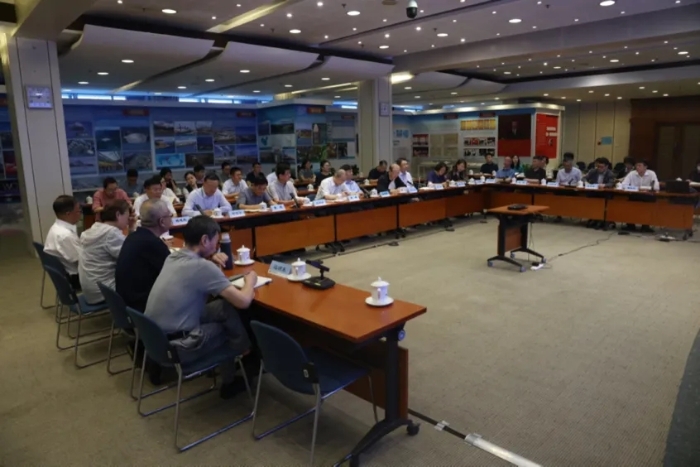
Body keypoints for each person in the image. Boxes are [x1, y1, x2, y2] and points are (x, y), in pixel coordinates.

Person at [145, 216, 258, 399]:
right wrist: (250, 281)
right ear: (205, 240)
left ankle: (243, 351)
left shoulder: (173, 257)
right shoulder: (202, 267)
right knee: (230, 329)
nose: (217, 247)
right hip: (179, 347)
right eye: (215, 242)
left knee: (222, 307)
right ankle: (232, 378)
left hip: (155, 339)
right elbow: (244, 301)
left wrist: (211, 257)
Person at [115, 199, 172, 313]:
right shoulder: (153, 244)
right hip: (142, 307)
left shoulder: (134, 236)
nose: (171, 217)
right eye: (169, 215)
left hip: (127, 304)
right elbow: (174, 274)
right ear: (162, 221)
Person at [79, 200, 134, 304]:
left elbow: (127, 248)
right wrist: (132, 230)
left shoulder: (94, 229)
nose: (128, 220)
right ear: (118, 215)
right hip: (105, 292)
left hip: (92, 288)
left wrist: (130, 228)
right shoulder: (110, 233)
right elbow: (131, 256)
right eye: (127, 216)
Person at [44, 195, 83, 290]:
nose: (80, 214)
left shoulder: (56, 227)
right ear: (68, 214)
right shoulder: (65, 236)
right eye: (78, 211)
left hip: (68, 272)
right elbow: (82, 261)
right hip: (76, 278)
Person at [620, 160, 659, 232]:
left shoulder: (651, 173)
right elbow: (623, 185)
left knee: (650, 204)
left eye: (639, 165)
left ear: (645, 167)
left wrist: (642, 188)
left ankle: (645, 226)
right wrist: (637, 189)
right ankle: (630, 225)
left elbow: (656, 187)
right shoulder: (632, 173)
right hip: (635, 195)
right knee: (629, 203)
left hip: (647, 196)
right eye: (636, 165)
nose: (637, 167)